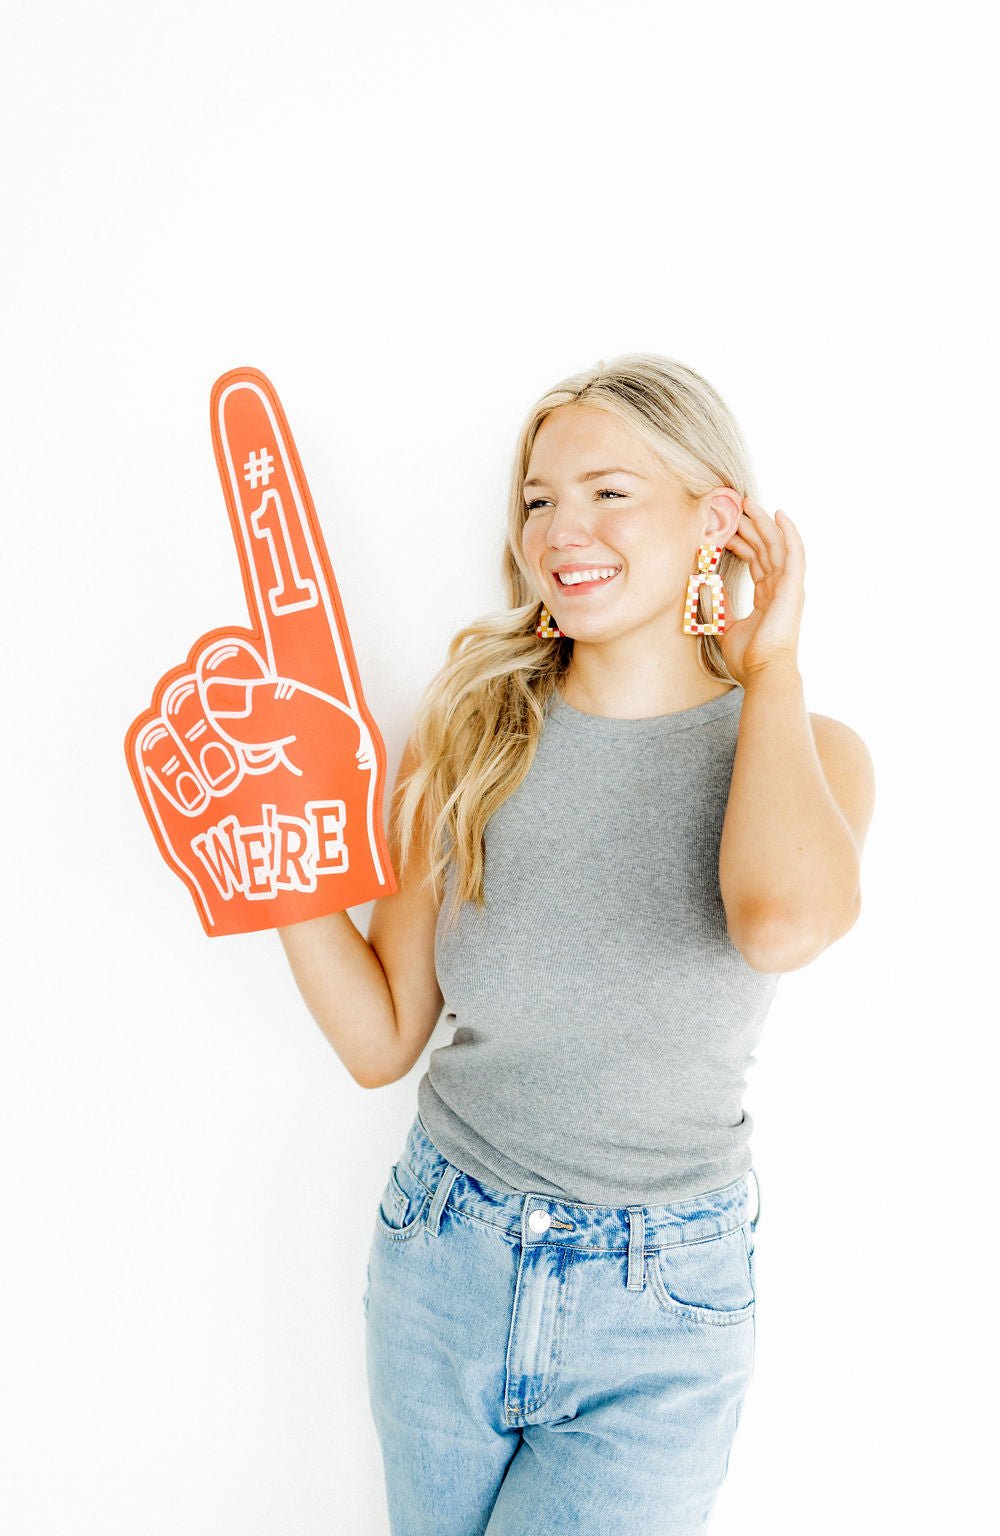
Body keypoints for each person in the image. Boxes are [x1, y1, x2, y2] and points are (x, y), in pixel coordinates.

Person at [277, 352, 876, 1535]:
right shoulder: (468, 725)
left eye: (608, 491)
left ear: (717, 519)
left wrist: (770, 667)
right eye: (539, 498)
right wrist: (279, 868)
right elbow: (382, 1036)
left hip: (661, 1308)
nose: (561, 528)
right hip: (444, 1257)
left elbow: (780, 922)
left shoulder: (813, 750)